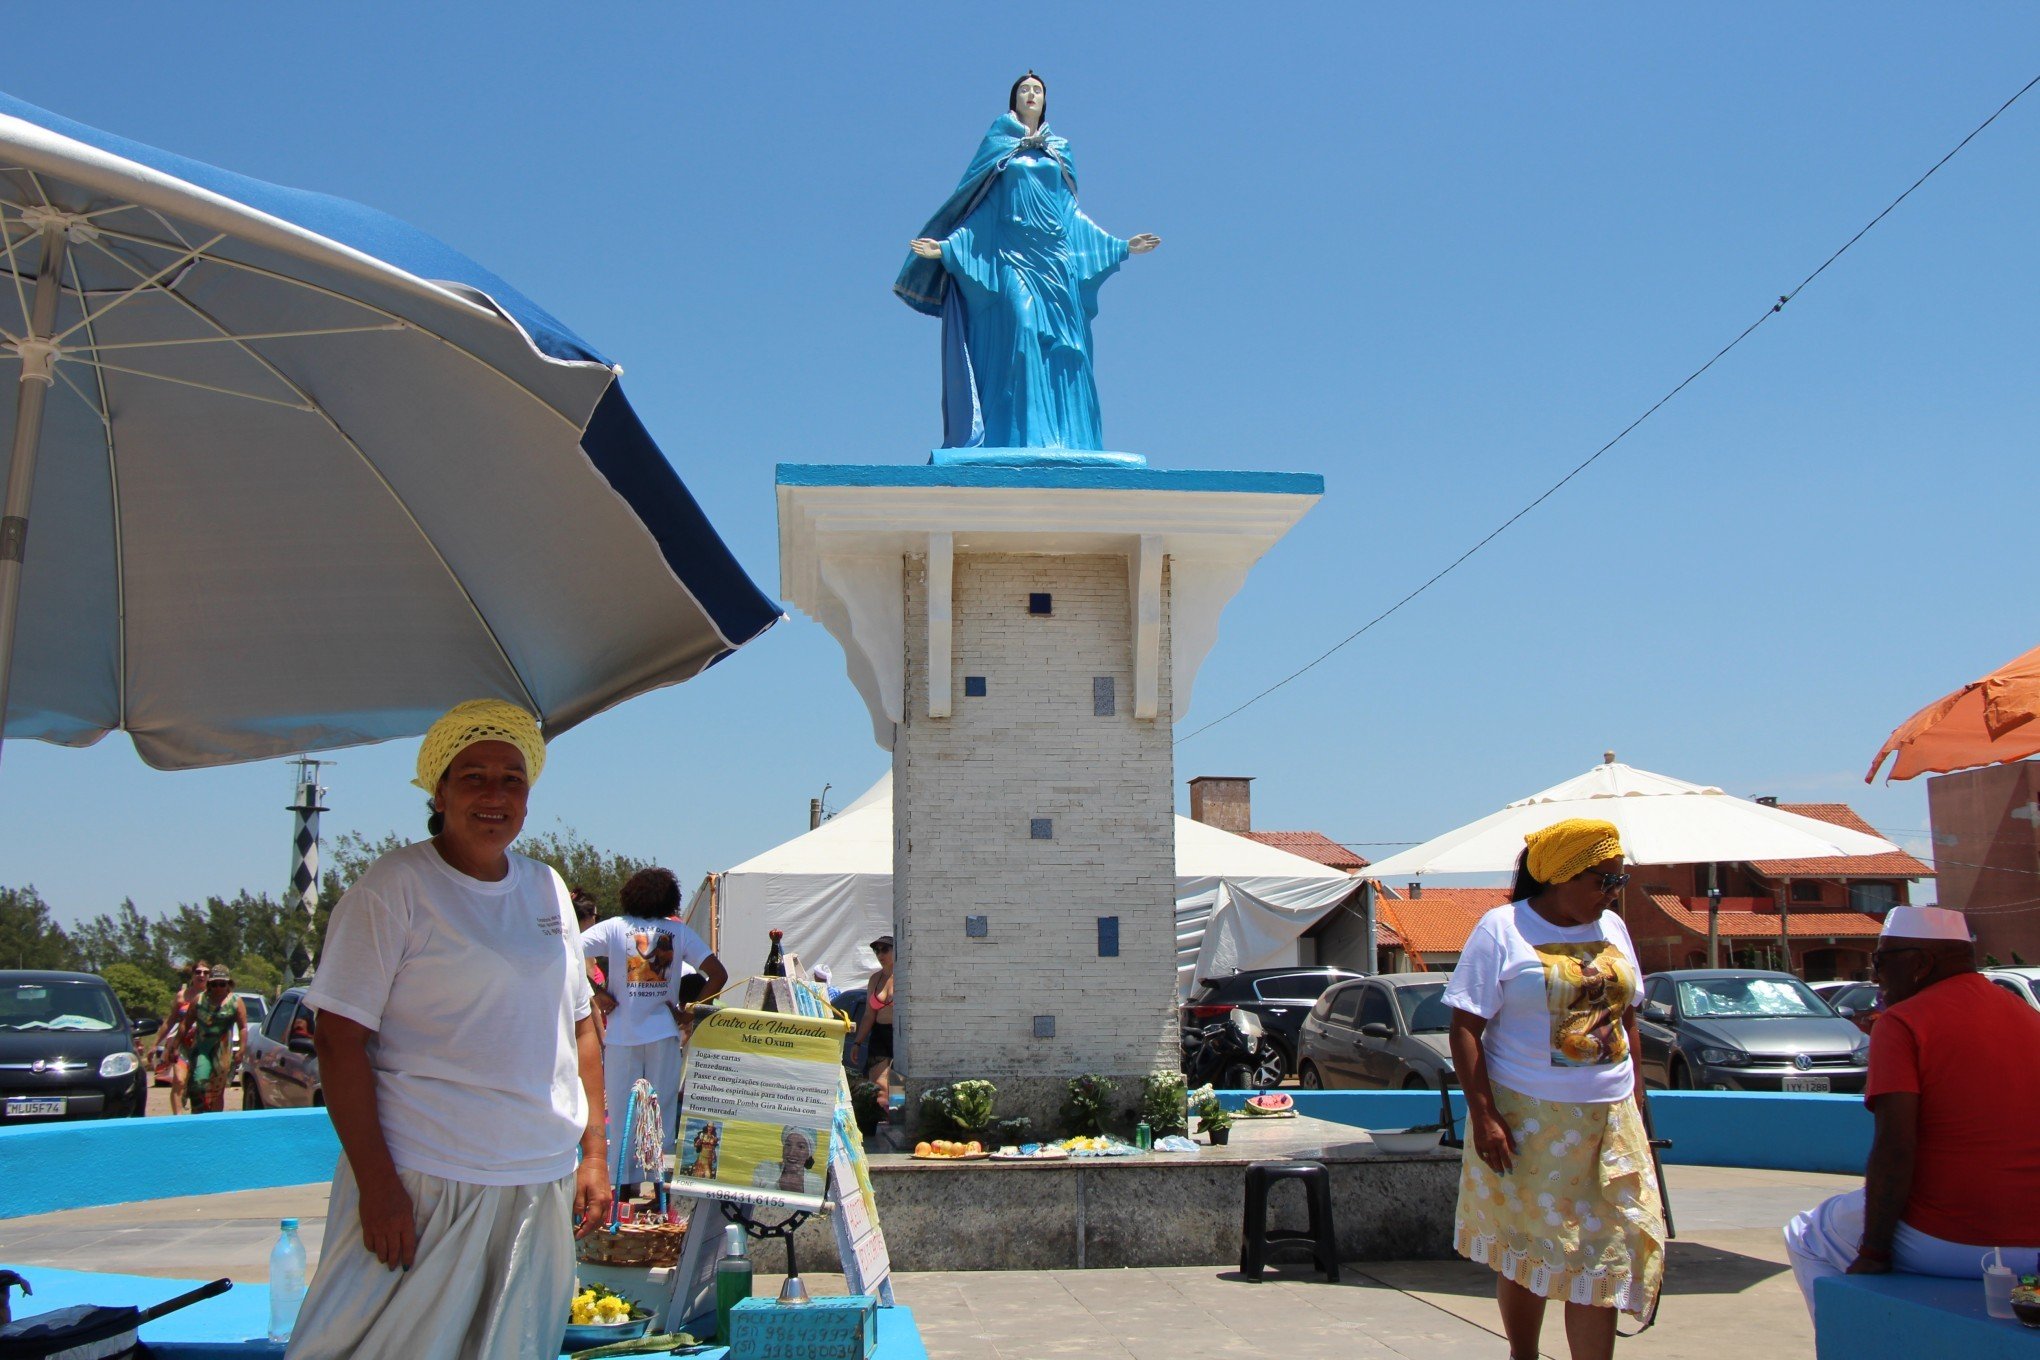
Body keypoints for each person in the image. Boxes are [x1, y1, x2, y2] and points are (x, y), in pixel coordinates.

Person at [287, 700, 609, 1360]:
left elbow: (580, 1026)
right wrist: (378, 1188)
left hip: (535, 1180)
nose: (495, 796)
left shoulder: (547, 889)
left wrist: (596, 1154)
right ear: (439, 791)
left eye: (512, 779)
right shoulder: (394, 889)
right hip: (426, 1182)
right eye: (474, 777)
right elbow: (337, 1039)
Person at [1444, 819, 1664, 1360]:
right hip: (1528, 1121)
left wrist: (1636, 1098)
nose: (1612, 893)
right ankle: (1524, 1354)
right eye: (1602, 880)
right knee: (1532, 1250)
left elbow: (1626, 1018)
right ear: (1560, 876)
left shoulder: (1613, 929)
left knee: (1605, 1255)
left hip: (1609, 1119)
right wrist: (1487, 1116)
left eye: (1619, 880)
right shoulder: (1502, 928)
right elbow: (1465, 1027)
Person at [1784, 906, 2040, 1318]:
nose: (1874, 976)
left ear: (1920, 963)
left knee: (1805, 1234)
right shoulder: (2028, 1017)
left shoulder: (1902, 1022)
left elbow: (1896, 1147)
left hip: (1957, 1241)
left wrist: (1873, 1251)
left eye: (1881, 961)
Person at [896, 71, 1160, 452]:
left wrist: (1121, 245)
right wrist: (948, 248)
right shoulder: (1000, 148)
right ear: (1014, 100)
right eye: (1024, 90)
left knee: (1068, 350)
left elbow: (1071, 217)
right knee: (1020, 329)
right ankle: (1016, 436)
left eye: (1037, 90)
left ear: (1044, 100)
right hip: (1012, 259)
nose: (1031, 94)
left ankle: (1062, 440)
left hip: (1056, 263)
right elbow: (984, 212)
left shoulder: (1059, 150)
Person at [579, 867, 726, 1188]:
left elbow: (567, 952)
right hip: (663, 1033)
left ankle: (622, 1190)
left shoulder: (615, 928)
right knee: (659, 1116)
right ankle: (658, 1189)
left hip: (620, 1035)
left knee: (621, 1116)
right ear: (670, 898)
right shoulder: (680, 933)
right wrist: (690, 1013)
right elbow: (718, 974)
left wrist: (598, 992)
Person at [183, 968, 249, 1115]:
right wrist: (173, 1046)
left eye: (222, 984)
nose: (218, 988)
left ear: (228, 985)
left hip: (223, 1051)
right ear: (209, 985)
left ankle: (215, 1120)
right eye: (214, 984)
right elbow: (185, 1024)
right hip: (202, 1049)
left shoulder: (235, 1002)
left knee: (217, 1091)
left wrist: (242, 1049)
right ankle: (198, 1117)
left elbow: (243, 1027)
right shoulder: (199, 1000)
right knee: (199, 1084)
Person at [149, 960, 208, 1115]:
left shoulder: (212, 997)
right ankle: (179, 1118)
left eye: (205, 973)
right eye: (198, 972)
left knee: (199, 1086)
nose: (201, 975)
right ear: (193, 975)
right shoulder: (182, 997)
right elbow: (169, 1021)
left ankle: (198, 1118)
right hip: (182, 1046)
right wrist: (155, 1044)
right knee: (179, 1081)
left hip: (203, 1048)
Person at [851, 936, 896, 1090]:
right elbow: (869, 1015)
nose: (880, 955)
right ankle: (881, 1113)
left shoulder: (905, 976)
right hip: (880, 1034)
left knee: (898, 1086)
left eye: (885, 950)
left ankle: (895, 1114)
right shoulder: (874, 979)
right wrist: (857, 1042)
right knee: (879, 1085)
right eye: (876, 951)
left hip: (900, 1035)